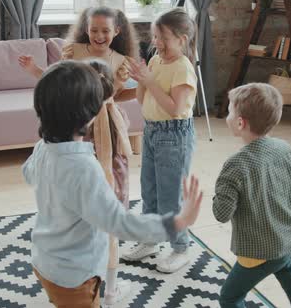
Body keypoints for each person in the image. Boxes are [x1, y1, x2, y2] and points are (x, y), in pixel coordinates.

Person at [23, 60, 203, 308]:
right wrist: (176, 223)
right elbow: (121, 224)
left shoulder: (42, 148)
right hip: (75, 276)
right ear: (92, 114)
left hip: (43, 259)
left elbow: (29, 175)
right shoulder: (85, 168)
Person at [213, 83, 291, 308]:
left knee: (229, 297)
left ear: (240, 123)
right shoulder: (286, 148)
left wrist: (218, 194)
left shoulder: (236, 165)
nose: (227, 115)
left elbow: (221, 214)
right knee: (284, 265)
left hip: (258, 252)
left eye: (229, 111)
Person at [123, 8, 198, 274]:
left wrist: (150, 81)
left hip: (174, 135)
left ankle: (181, 248)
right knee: (150, 191)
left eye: (163, 38)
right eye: (155, 36)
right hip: (153, 132)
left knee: (171, 197)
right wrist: (141, 78)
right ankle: (151, 239)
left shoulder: (183, 68)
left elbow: (175, 109)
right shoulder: (156, 61)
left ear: (182, 38)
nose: (157, 43)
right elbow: (142, 100)